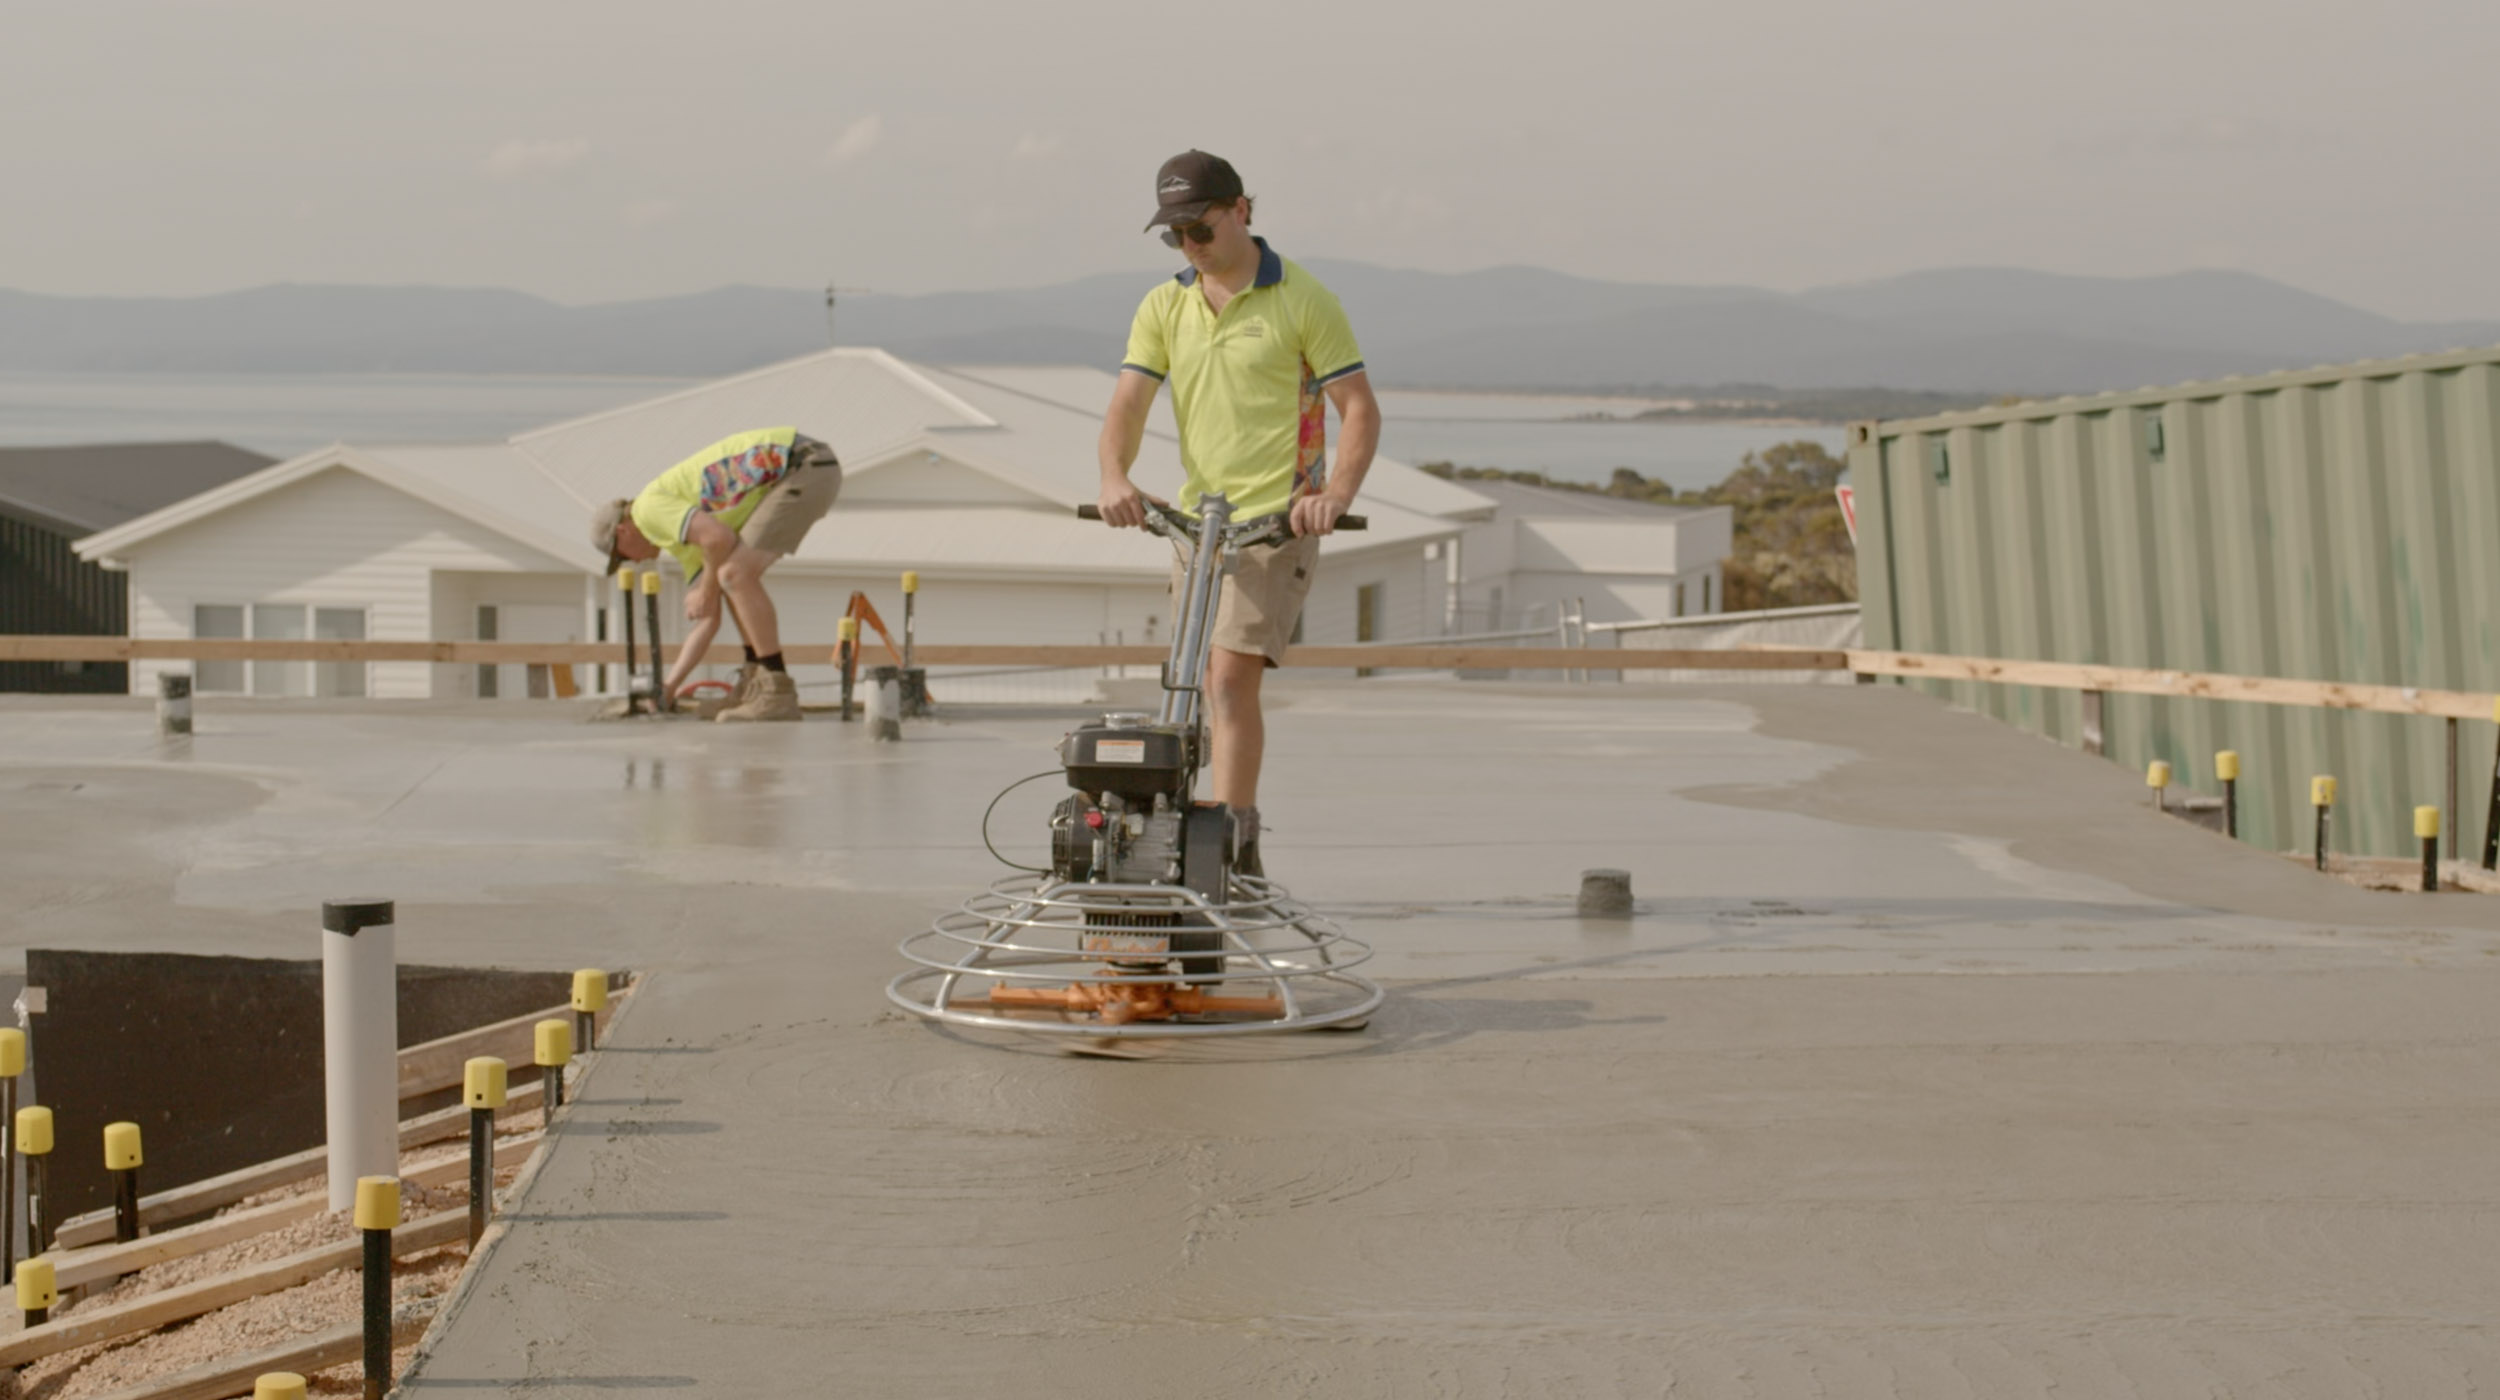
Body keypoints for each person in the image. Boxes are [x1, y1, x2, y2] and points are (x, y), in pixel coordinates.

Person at [1095, 150, 1380, 873]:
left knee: (1226, 679)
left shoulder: (1303, 299)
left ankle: (1232, 841)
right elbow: (1129, 403)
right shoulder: (1165, 305)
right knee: (1183, 683)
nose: (1191, 245)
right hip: (1197, 523)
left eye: (1201, 227)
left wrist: (1333, 498)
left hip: (1276, 522)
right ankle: (1169, 835)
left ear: (1243, 209)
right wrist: (1113, 476)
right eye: (1175, 235)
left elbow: (1359, 410)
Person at [591, 426, 841, 722]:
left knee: (733, 574)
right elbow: (708, 618)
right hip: (799, 468)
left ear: (623, 530)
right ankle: (755, 683)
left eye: (622, 555)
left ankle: (776, 691)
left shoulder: (648, 511)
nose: (630, 562)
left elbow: (717, 539)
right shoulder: (679, 541)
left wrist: (706, 590)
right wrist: (669, 687)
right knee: (729, 577)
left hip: (802, 465)